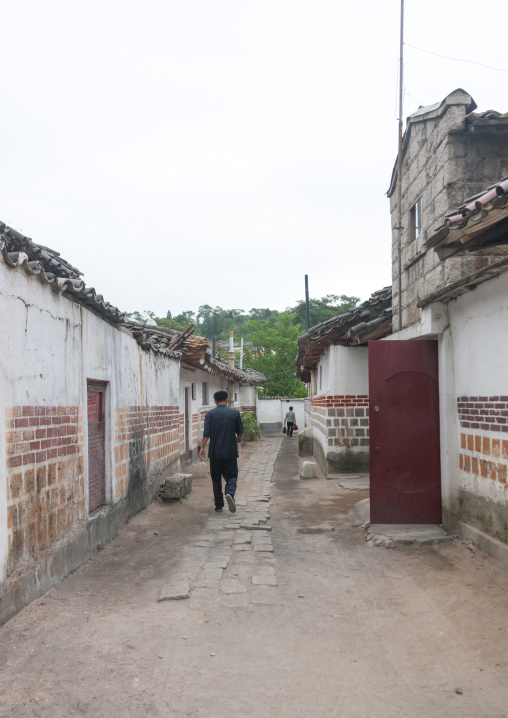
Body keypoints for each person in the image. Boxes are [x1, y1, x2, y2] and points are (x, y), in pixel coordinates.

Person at [199, 390, 244, 513]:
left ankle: (219, 505)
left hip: (215, 453)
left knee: (216, 479)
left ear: (215, 401)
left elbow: (206, 434)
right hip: (230, 452)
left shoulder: (210, 414)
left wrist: (202, 448)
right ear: (226, 400)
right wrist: (238, 439)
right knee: (232, 476)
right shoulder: (234, 413)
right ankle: (229, 493)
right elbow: (240, 431)